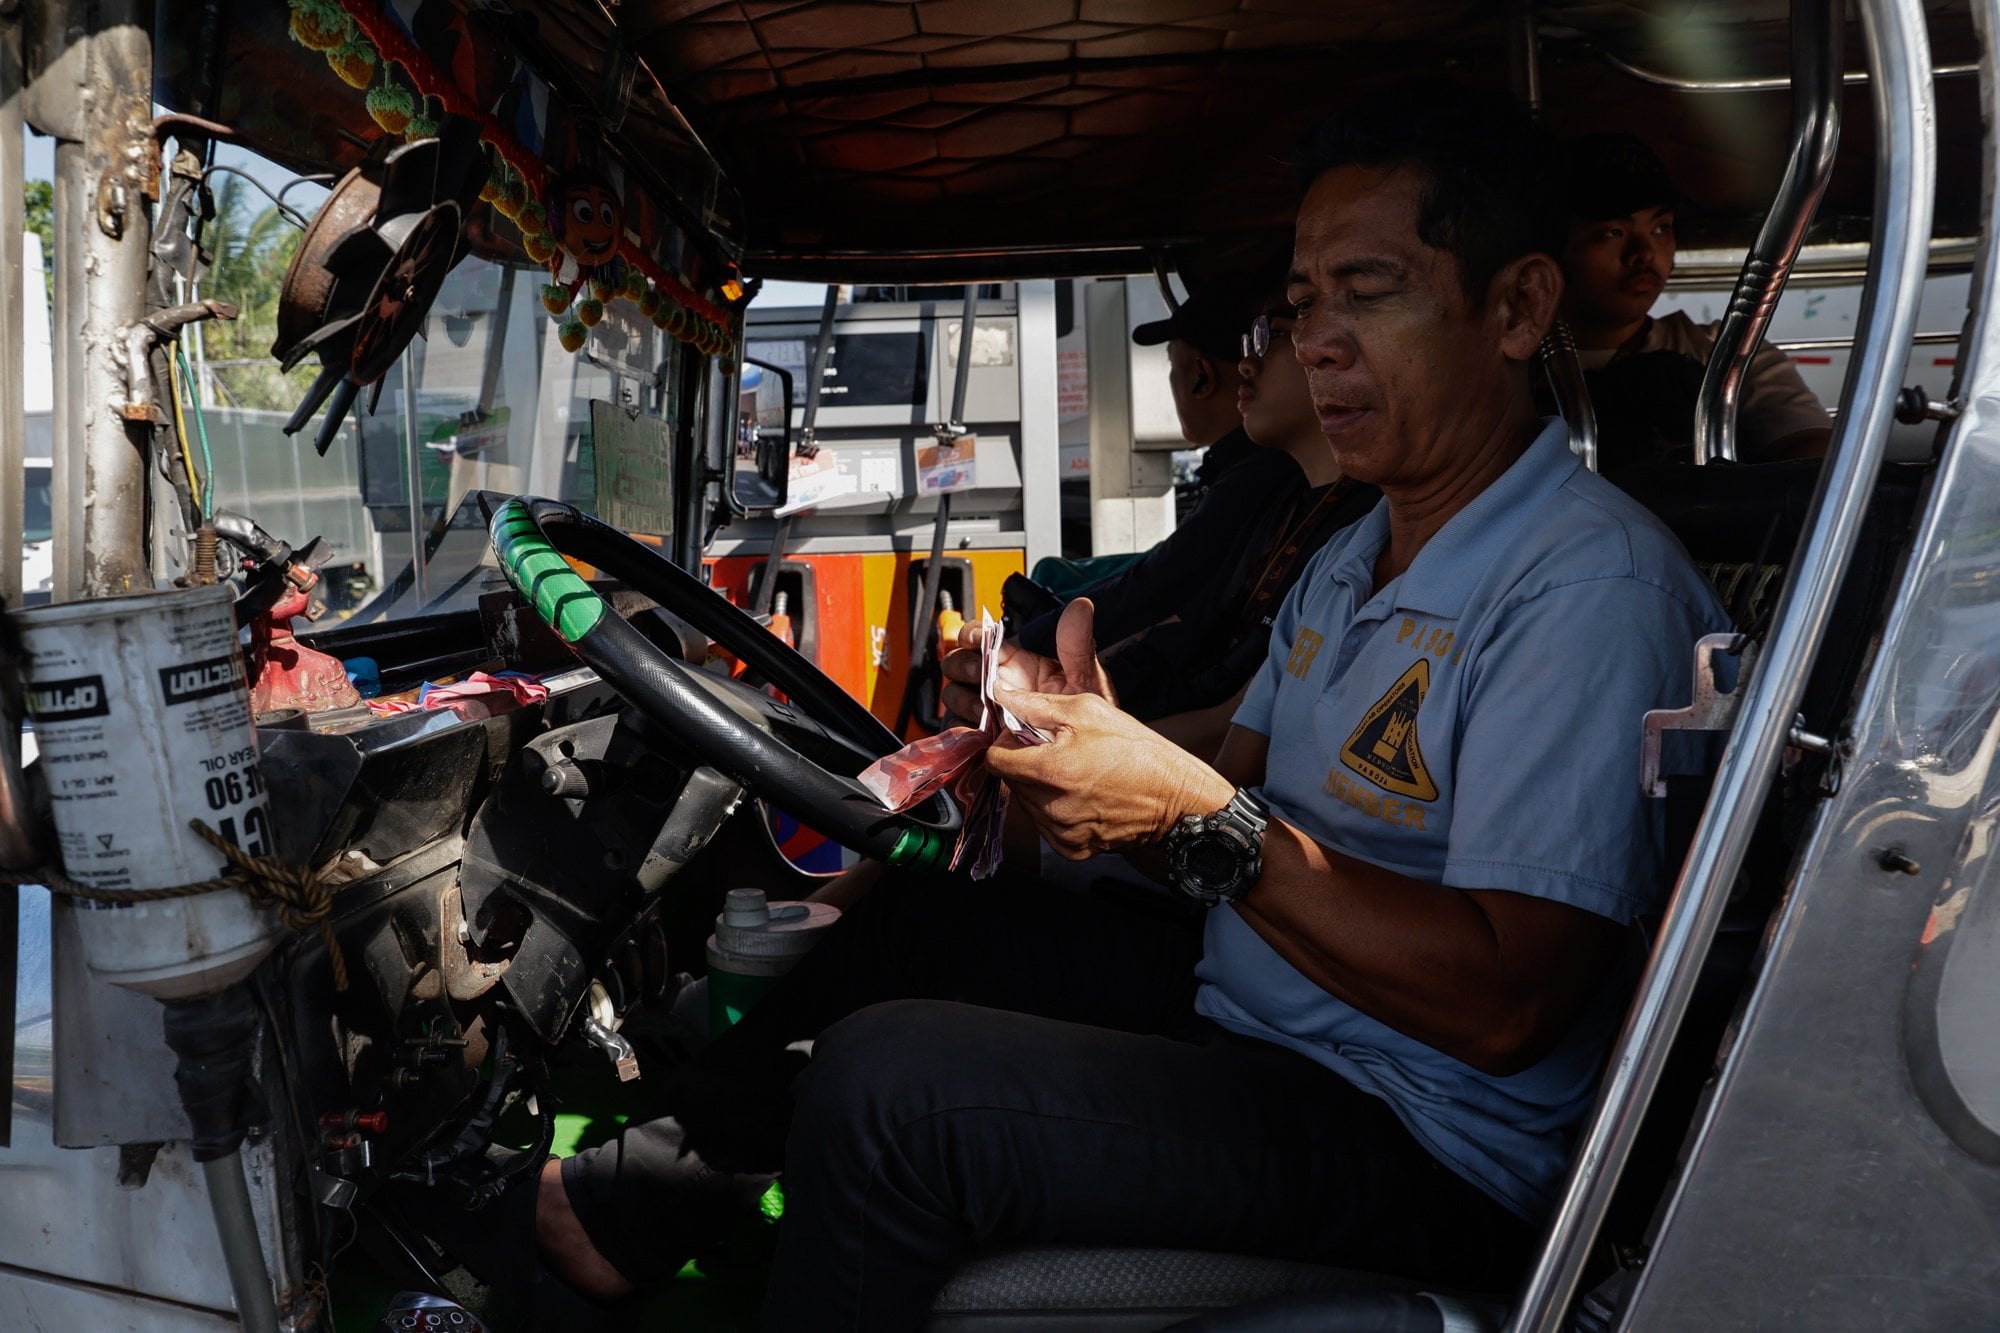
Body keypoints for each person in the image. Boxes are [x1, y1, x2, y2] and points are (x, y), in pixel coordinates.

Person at [447, 84, 1727, 1332]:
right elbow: (1233, 764)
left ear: (1514, 307)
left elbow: (1507, 1005)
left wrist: (1192, 819)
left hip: (1422, 1137)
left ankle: (614, 1219)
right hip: (1257, 1018)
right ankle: (624, 1210)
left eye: (1369, 292)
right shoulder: (1357, 555)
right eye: (1301, 306)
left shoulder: (1583, 590)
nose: (1317, 343)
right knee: (940, 913)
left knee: (890, 1090)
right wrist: (1071, 737)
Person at [1105, 286, 1380, 753]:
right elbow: (1186, 622)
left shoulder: (1369, 525)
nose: (1247, 365)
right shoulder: (1282, 505)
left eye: (1270, 337)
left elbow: (1236, 722)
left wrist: (1095, 754)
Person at [1014, 278, 1303, 659]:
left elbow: (1157, 584)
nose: (1251, 365)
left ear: (1202, 377)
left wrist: (1020, 648)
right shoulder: (1253, 471)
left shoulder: (1256, 475)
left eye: (1172, 365)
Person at [1559, 132, 1831, 466]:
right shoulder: (1512, 369)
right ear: (1553, 250)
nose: (1643, 253)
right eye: (1612, 232)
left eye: (1661, 228)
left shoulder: (1731, 354)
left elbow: (1812, 451)